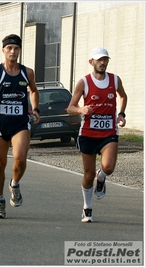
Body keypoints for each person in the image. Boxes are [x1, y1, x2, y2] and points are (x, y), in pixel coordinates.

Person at [0, 34, 40, 219]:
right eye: (9, 48)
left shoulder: (27, 72)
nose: (13, 52)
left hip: (21, 123)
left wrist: (36, 108)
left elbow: (34, 90)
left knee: (20, 159)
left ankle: (14, 184)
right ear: (3, 50)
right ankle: (0, 201)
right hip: (1, 124)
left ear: (20, 51)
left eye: (16, 48)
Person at [67, 47, 127, 223]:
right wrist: (81, 109)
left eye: (105, 59)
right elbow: (70, 107)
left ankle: (101, 178)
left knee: (108, 167)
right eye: (99, 59)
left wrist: (121, 114)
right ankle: (87, 207)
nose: (103, 62)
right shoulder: (84, 82)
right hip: (88, 133)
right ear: (91, 62)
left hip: (109, 131)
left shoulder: (114, 80)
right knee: (88, 174)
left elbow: (123, 96)